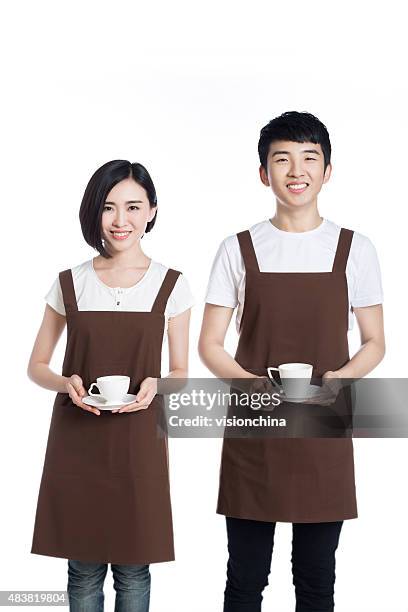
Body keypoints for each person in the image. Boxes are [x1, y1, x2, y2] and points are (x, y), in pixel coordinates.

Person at [198, 111, 385, 612]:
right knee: (244, 579)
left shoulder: (355, 249)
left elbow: (374, 342)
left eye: (309, 158)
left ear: (327, 170)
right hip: (255, 429)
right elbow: (210, 344)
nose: (296, 170)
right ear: (264, 173)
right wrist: (254, 383)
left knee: (317, 579)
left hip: (323, 427)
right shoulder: (236, 249)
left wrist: (337, 380)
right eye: (282, 159)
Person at [28, 160, 194, 612]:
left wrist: (154, 388)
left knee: (133, 568)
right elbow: (36, 366)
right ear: (93, 214)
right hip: (77, 439)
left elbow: (181, 373)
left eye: (133, 207)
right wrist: (67, 382)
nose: (121, 220)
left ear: (152, 212)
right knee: (82, 568)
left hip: (138, 440)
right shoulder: (70, 282)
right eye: (108, 208)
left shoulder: (171, 285)